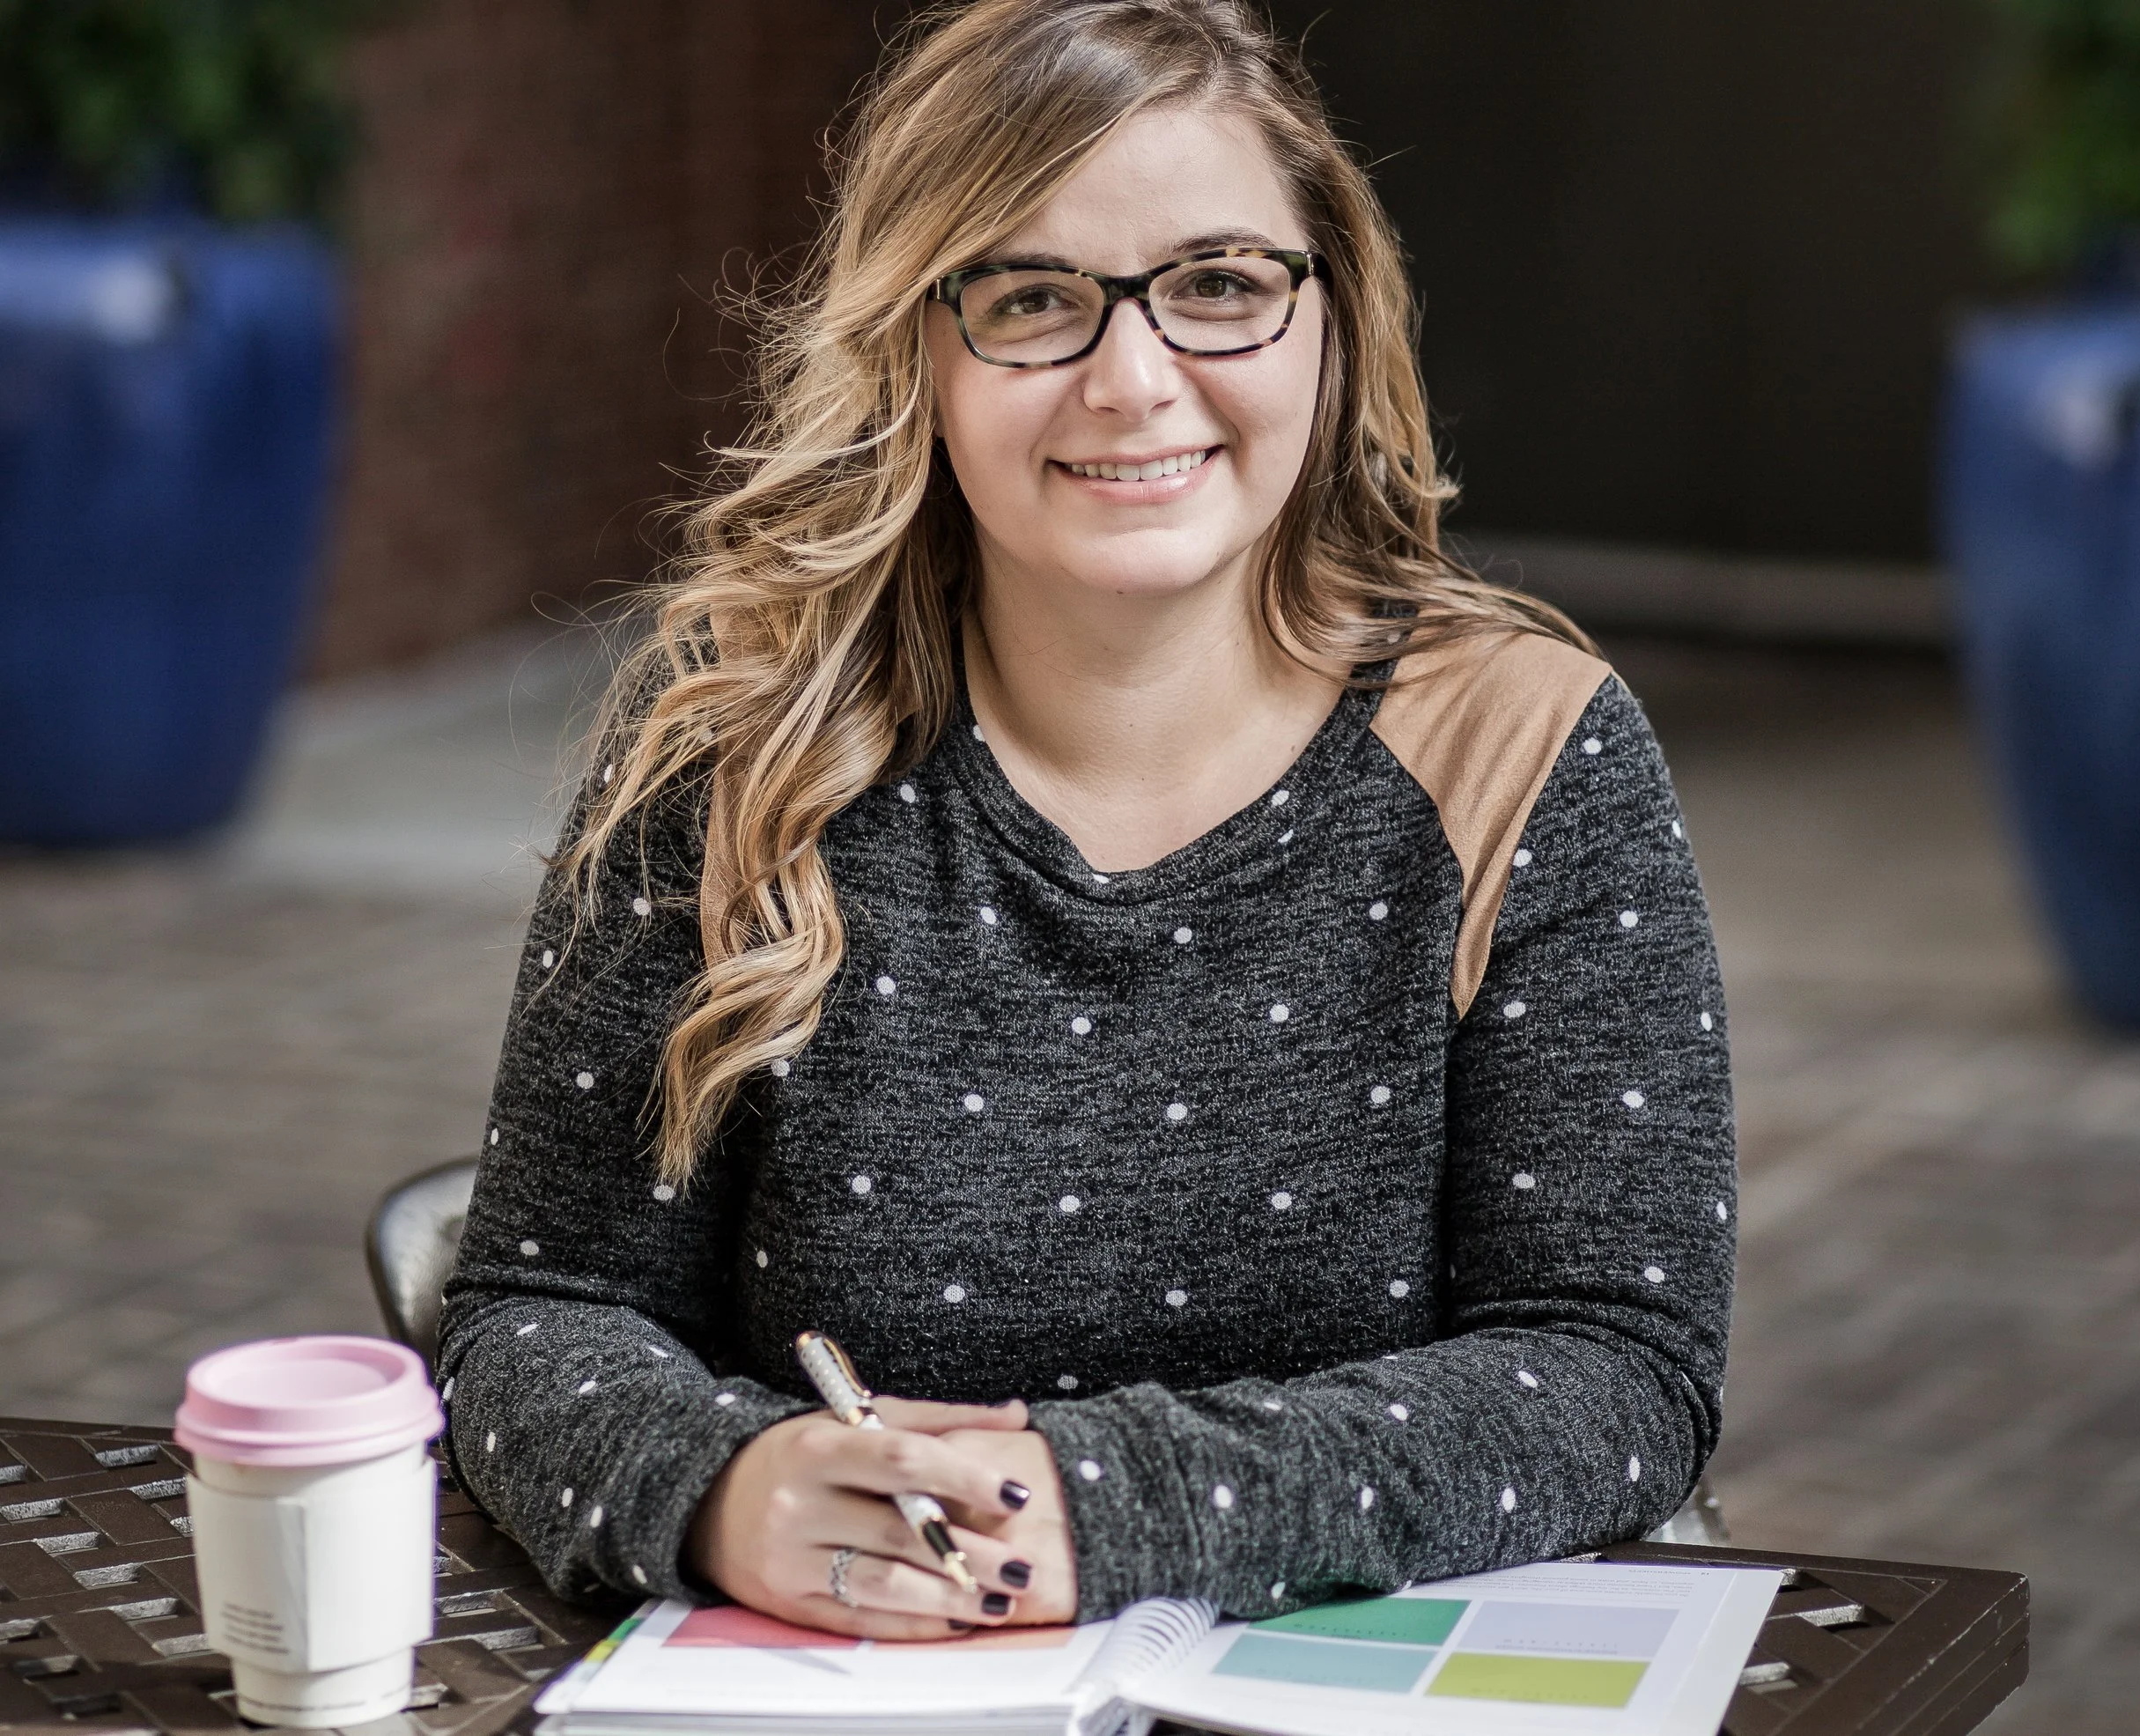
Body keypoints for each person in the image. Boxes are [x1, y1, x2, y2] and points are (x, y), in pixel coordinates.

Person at [439, 0, 1735, 1643]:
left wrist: (1117, 1500)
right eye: (1033, 300)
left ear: (1328, 318)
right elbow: (539, 1305)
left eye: (1218, 286)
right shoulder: (735, 743)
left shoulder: (1531, 751)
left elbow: (1621, 1361)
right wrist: (723, 1480)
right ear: (919, 343)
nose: (1134, 379)